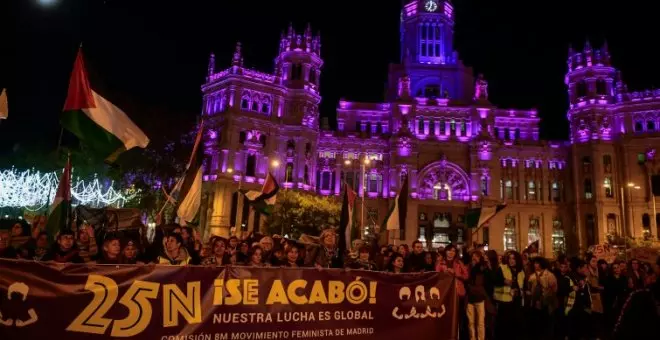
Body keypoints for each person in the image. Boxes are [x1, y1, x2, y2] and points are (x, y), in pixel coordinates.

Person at [493, 251, 525, 340]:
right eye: (510, 258)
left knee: (516, 326)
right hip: (505, 302)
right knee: (504, 327)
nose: (511, 261)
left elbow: (523, 285)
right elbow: (495, 280)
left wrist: (520, 291)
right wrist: (504, 281)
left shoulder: (521, 271)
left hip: (517, 302)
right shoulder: (502, 268)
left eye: (513, 258)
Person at [526, 257, 557, 339]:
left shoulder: (549, 275)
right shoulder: (532, 276)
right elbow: (529, 288)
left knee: (546, 326)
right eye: (535, 263)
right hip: (534, 304)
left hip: (546, 304)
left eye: (537, 263)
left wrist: (545, 295)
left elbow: (554, 290)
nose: (535, 265)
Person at [466, 250, 489, 340]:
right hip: (470, 298)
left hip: (480, 298)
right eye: (473, 256)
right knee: (471, 322)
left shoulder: (482, 268)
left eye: (477, 256)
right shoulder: (468, 267)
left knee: (480, 322)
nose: (474, 258)